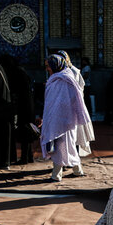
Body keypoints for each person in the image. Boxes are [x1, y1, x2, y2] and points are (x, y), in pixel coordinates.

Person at [40, 54, 90, 182]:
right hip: (57, 120)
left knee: (63, 147)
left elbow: (75, 99)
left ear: (55, 66)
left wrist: (64, 113)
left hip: (65, 120)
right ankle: (77, 171)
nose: (47, 69)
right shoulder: (56, 79)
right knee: (64, 147)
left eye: (48, 66)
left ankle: (56, 175)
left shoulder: (66, 80)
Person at [0, 55, 36, 164]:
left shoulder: (15, 72)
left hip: (22, 106)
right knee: (27, 131)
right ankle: (28, 156)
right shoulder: (20, 71)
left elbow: (14, 89)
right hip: (27, 105)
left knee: (24, 132)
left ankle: (25, 158)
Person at [57, 50, 95, 157]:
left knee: (73, 134)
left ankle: (71, 161)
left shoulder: (71, 71)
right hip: (68, 107)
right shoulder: (67, 71)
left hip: (72, 107)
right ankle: (69, 161)